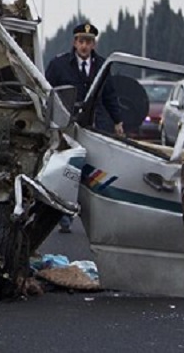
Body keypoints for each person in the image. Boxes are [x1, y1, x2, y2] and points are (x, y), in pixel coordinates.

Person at [45, 22, 124, 233]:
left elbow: (109, 96)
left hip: (93, 125)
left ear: (93, 44)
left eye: (88, 42)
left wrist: (117, 122)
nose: (84, 46)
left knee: (95, 171)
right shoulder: (59, 64)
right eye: (81, 41)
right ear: (75, 42)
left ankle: (97, 218)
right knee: (66, 170)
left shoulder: (102, 66)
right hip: (66, 126)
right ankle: (64, 215)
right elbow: (47, 93)